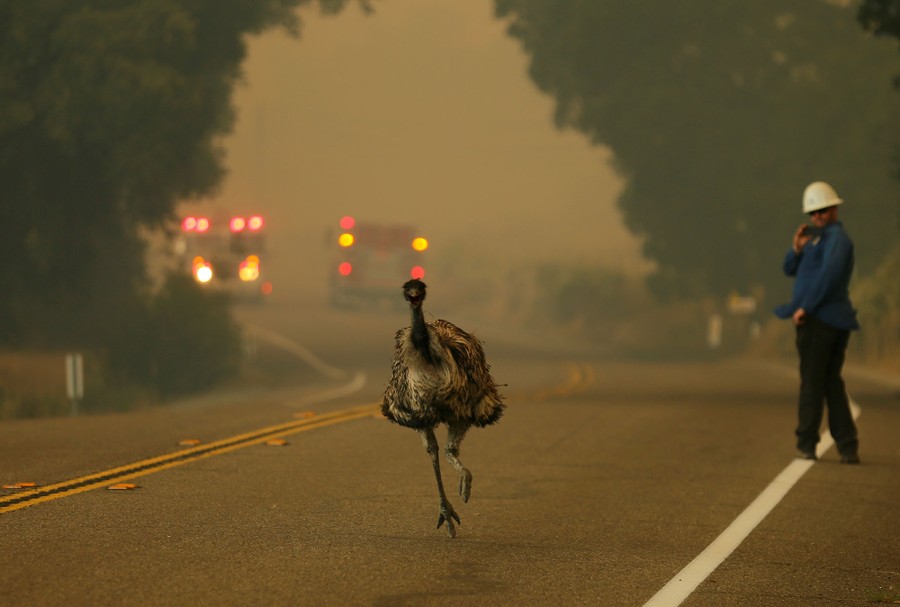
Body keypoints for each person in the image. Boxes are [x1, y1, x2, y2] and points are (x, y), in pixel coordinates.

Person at [774, 181, 860, 464]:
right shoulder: (816, 240)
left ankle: (807, 442)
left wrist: (805, 308)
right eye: (813, 212)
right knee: (830, 382)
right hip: (822, 319)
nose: (818, 216)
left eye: (823, 210)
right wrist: (796, 249)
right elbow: (789, 268)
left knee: (812, 382)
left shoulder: (837, 240)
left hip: (821, 321)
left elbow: (829, 277)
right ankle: (847, 445)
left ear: (834, 209)